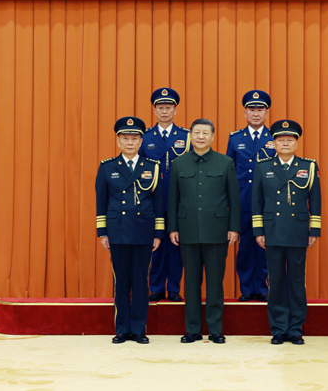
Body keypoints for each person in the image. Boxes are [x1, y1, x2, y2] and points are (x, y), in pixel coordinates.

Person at [167, 118, 241, 344]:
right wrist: (173, 228)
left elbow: (234, 199)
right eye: (196, 132)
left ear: (212, 137)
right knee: (191, 282)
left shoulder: (225, 162)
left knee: (215, 283)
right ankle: (193, 330)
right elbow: (173, 199)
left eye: (205, 133)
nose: (201, 136)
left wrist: (234, 228)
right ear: (190, 135)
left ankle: (215, 329)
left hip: (217, 231)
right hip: (187, 230)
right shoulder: (179, 163)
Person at [95, 117, 164, 344]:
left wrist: (158, 233)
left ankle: (139, 329)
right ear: (118, 141)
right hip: (118, 231)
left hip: (144, 232)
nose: (130, 142)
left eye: (134, 138)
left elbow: (158, 203)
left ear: (141, 141)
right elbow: (101, 201)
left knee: (141, 282)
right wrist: (103, 232)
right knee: (121, 282)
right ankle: (122, 329)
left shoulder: (152, 167)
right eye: (125, 138)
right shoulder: (107, 167)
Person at [251, 120, 320, 345]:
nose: (285, 143)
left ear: (296, 143)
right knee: (277, 281)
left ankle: (296, 328)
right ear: (274, 143)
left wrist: (314, 230)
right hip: (273, 230)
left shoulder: (309, 166)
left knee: (297, 282)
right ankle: (279, 328)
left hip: (298, 231)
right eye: (281, 140)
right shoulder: (263, 167)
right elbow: (256, 202)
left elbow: (315, 201)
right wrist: (259, 230)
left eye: (290, 140)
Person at [226, 90, 276, 302]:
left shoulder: (274, 137)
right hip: (243, 201)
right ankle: (246, 289)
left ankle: (262, 288)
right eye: (252, 109)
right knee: (245, 247)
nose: (256, 114)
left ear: (266, 113)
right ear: (245, 113)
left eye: (260, 110)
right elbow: (229, 172)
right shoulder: (235, 138)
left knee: (265, 247)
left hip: (268, 202)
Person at [141, 87, 189, 302]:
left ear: (175, 110)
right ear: (154, 110)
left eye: (168, 107)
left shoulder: (186, 136)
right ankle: (157, 288)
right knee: (156, 246)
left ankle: (175, 289)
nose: (164, 111)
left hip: (179, 200)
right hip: (152, 200)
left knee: (176, 246)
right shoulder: (145, 137)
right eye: (160, 107)